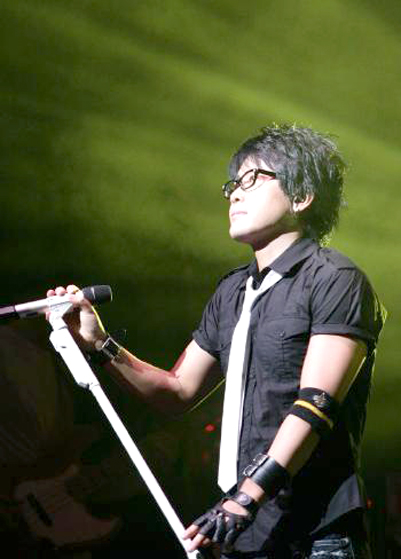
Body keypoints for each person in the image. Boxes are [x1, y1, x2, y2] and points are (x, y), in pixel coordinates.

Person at [47, 124, 385, 559]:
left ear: (302, 196)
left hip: (315, 535)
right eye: (232, 185)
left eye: (252, 180)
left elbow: (316, 405)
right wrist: (99, 343)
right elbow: (176, 393)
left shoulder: (335, 280)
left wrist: (245, 499)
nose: (234, 195)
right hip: (245, 534)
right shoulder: (232, 292)